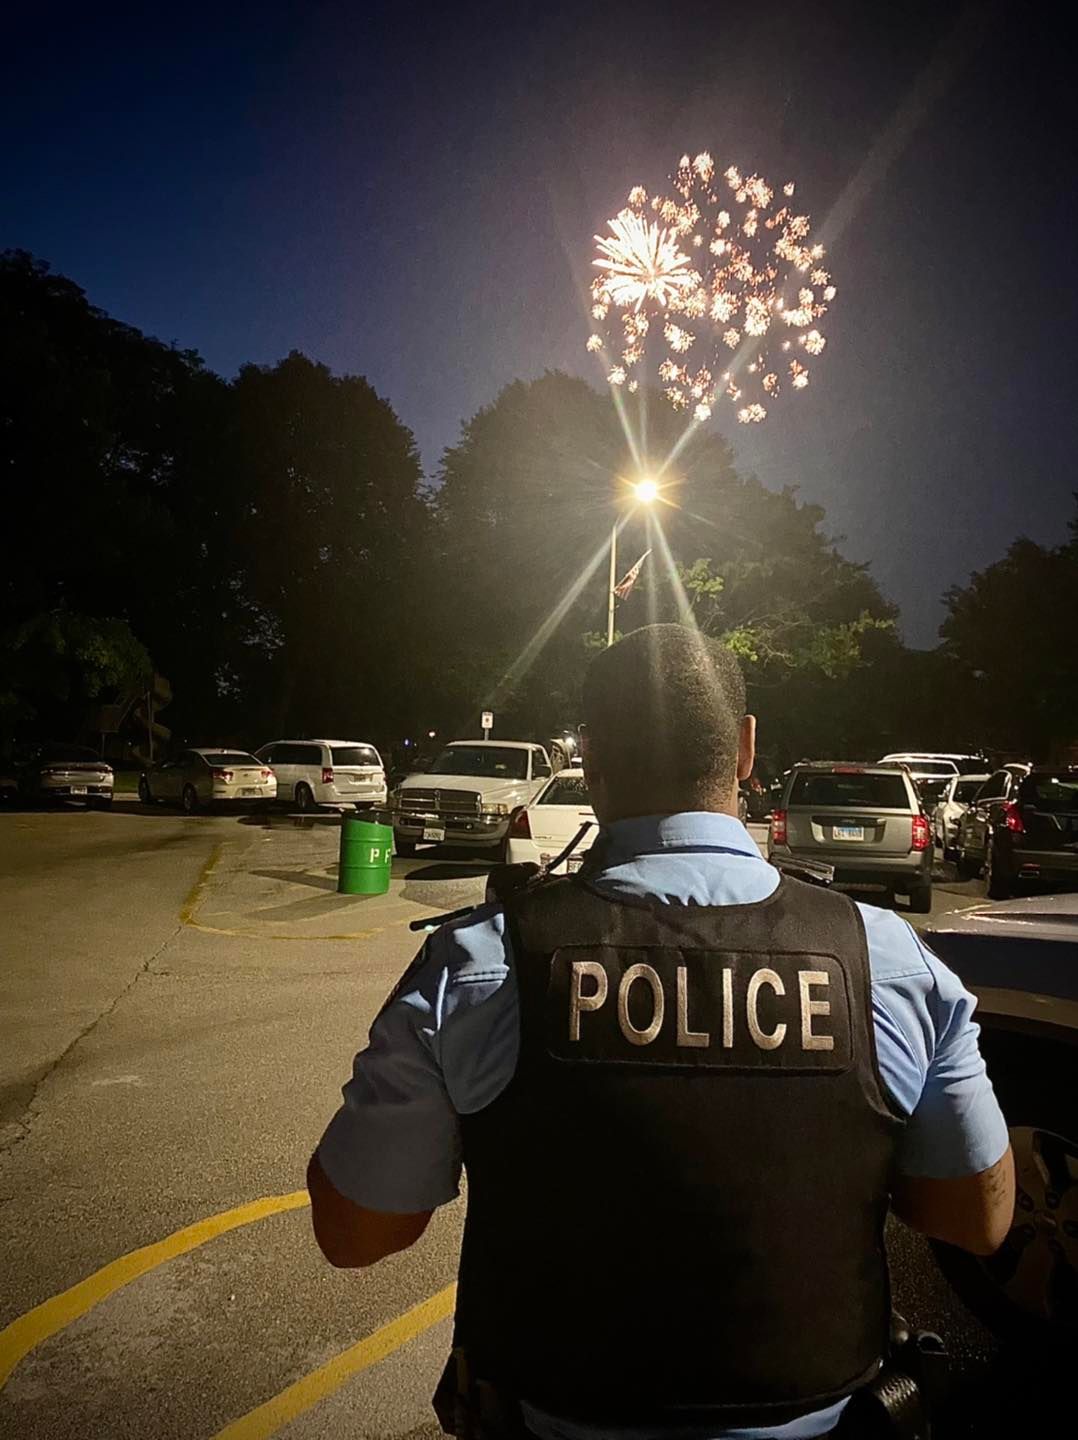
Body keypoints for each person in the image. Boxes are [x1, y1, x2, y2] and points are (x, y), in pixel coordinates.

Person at [307, 624, 1014, 1439]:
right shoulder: (887, 960)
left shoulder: (481, 963)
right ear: (746, 749)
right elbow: (978, 1218)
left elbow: (356, 1230)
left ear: (591, 759)